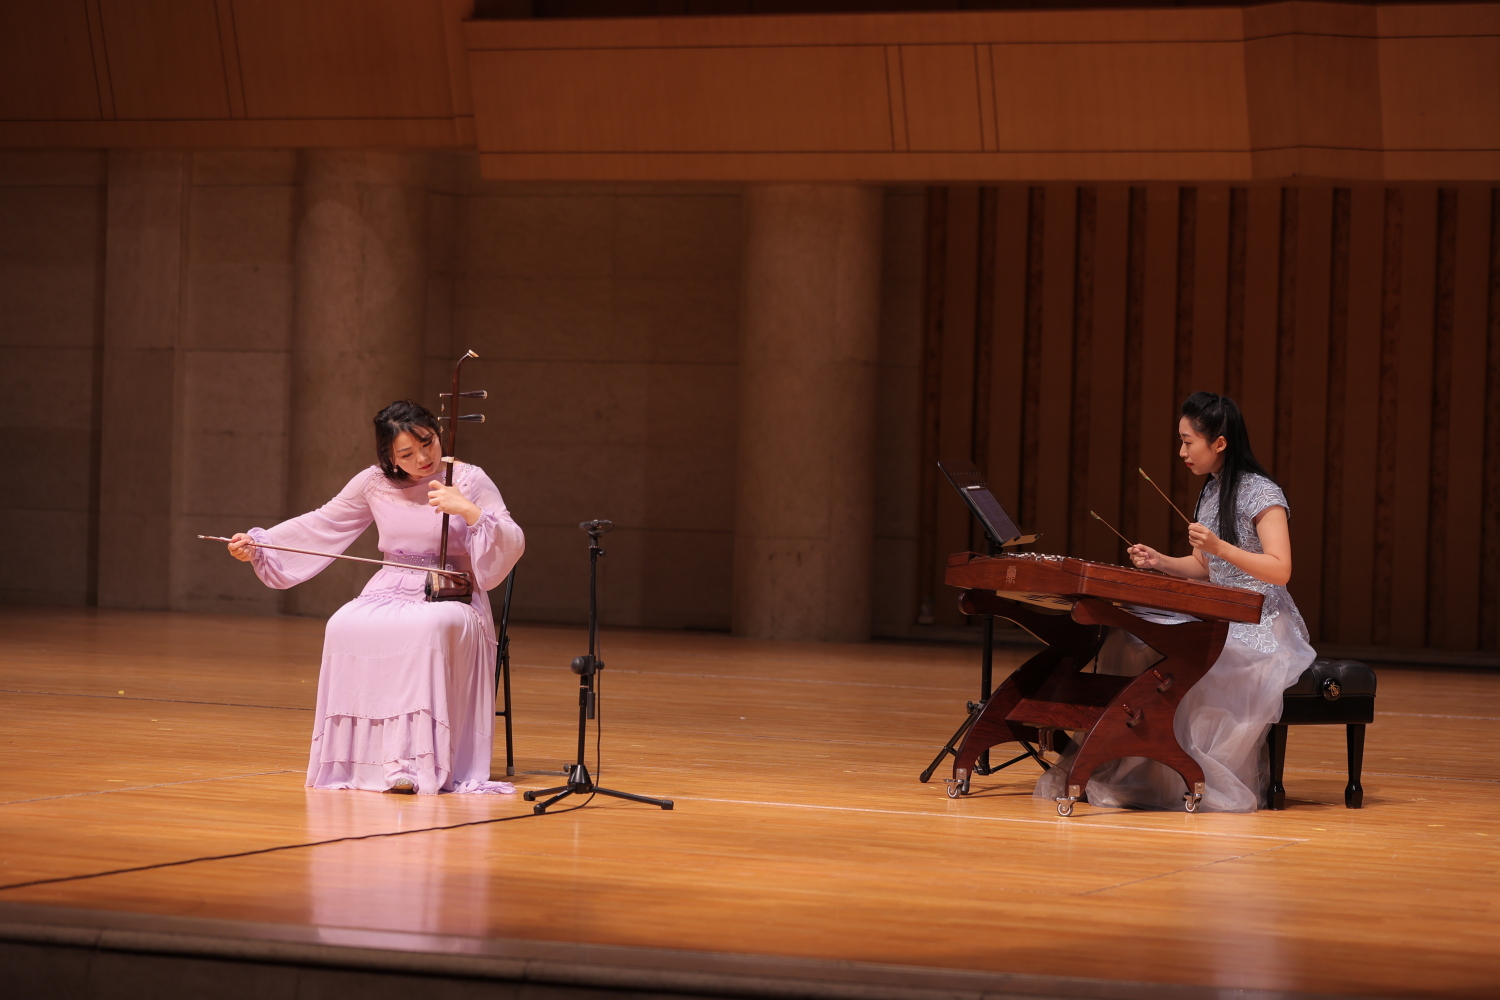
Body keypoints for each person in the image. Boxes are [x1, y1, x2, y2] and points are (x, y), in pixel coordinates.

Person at [226, 400, 524, 795]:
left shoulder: (468, 479)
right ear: (389, 456)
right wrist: (261, 544)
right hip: (389, 587)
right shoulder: (373, 482)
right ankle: (361, 764)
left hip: (451, 594)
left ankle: (414, 763)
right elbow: (323, 521)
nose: (422, 458)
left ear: (438, 433)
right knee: (343, 624)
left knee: (426, 627)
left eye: (427, 443)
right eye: (406, 453)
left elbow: (510, 538)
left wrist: (469, 511)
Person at [1037, 391, 1315, 812]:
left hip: (1260, 624)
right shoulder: (1211, 491)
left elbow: (1280, 569)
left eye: (1188, 442)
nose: (1182, 452)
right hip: (1220, 612)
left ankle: (1178, 773)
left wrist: (1219, 547)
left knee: (1186, 661)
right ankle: (1132, 758)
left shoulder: (1263, 493)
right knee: (1133, 641)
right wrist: (1160, 561)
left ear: (1219, 442)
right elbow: (1203, 567)